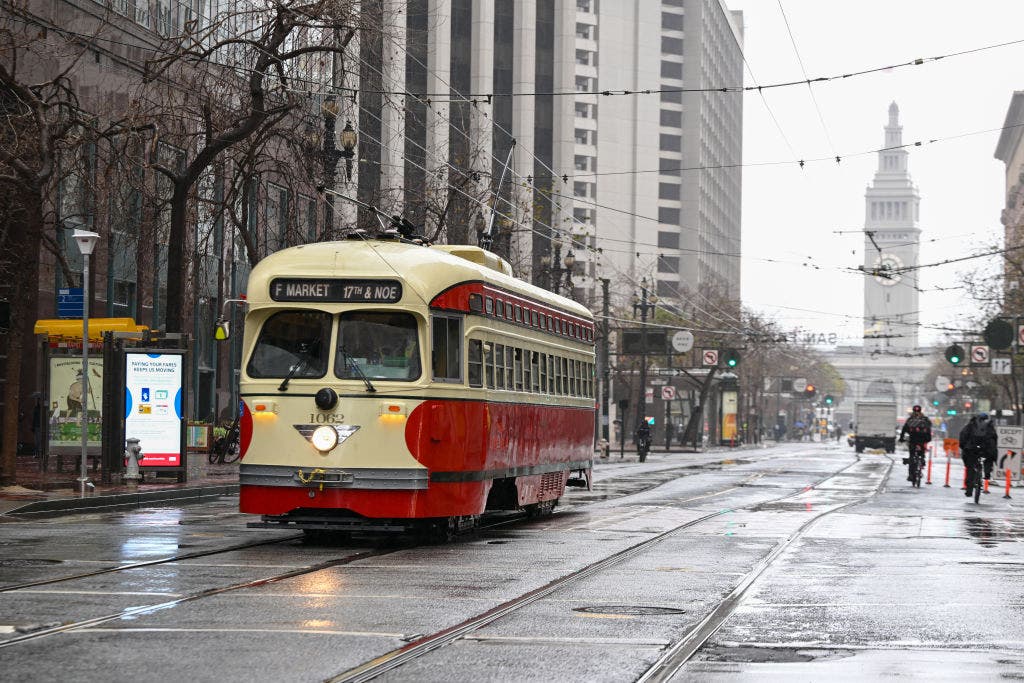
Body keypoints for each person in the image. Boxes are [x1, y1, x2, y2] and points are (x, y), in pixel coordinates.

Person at [959, 413, 997, 496]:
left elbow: (963, 436)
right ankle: (987, 473)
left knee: (970, 468)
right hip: (985, 449)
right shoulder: (989, 426)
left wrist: (963, 447)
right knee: (989, 458)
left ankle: (969, 490)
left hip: (971, 449)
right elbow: (994, 438)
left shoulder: (971, 425)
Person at [899, 405, 932, 482]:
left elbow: (904, 429)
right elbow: (929, 428)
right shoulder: (925, 419)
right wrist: (928, 438)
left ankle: (911, 475)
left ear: (913, 411)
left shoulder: (910, 419)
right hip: (922, 440)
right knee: (921, 453)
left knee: (912, 456)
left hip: (913, 440)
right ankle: (922, 461)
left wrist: (901, 438)